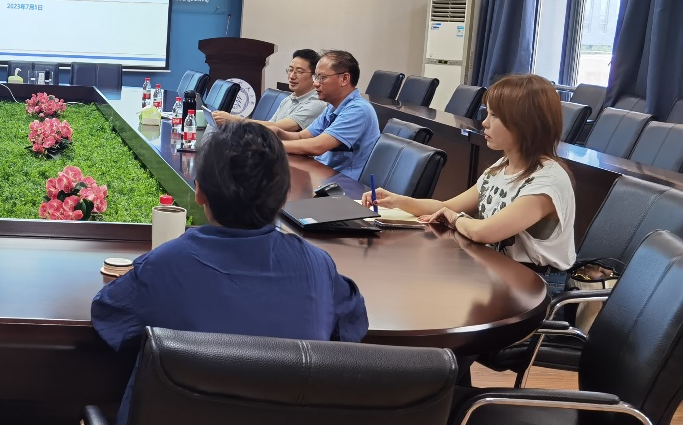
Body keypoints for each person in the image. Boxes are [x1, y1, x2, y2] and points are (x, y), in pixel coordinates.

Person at [92, 120, 368, 425]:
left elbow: (108, 315)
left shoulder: (164, 265)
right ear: (284, 196)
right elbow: (351, 325)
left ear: (199, 192)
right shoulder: (317, 266)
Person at [363, 74, 575, 289]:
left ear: (526, 124)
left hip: (536, 285)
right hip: (498, 271)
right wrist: (397, 200)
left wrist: (455, 218)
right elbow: (447, 206)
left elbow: (482, 232)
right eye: (487, 113)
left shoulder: (547, 181)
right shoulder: (502, 166)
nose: (485, 123)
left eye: (495, 116)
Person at [268, 49, 380, 179]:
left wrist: (271, 145)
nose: (315, 83)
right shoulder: (332, 107)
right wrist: (277, 133)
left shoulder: (358, 110)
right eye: (316, 77)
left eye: (322, 78)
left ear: (344, 79)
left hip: (345, 183)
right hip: (324, 174)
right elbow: (302, 136)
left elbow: (317, 146)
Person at [213, 48, 326, 131]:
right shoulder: (289, 98)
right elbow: (270, 125)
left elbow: (279, 127)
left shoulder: (316, 103)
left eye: (299, 72)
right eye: (290, 70)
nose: (292, 76)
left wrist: (234, 120)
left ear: (314, 76)